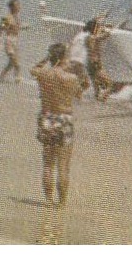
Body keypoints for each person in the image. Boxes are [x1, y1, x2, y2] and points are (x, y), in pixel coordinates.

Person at [30, 42, 88, 206]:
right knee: (63, 166)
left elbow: (33, 68)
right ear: (63, 58)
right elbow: (79, 94)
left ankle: (49, 200)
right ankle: (61, 204)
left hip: (47, 118)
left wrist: (48, 58)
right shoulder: (70, 78)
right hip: (64, 119)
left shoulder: (42, 74)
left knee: (48, 164)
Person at [82, 16, 112, 101]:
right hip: (95, 64)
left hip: (89, 64)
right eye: (97, 26)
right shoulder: (94, 38)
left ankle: (96, 104)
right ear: (94, 28)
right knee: (109, 85)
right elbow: (106, 35)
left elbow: (99, 31)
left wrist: (100, 19)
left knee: (97, 88)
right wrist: (110, 29)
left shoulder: (87, 37)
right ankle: (103, 101)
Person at [0, 0, 22, 83]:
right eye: (17, 5)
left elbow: (16, 28)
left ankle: (1, 77)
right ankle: (18, 79)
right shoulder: (6, 18)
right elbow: (0, 30)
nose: (19, 7)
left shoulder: (17, 17)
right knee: (15, 62)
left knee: (11, 63)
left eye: (19, 5)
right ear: (12, 7)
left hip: (16, 41)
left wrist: (24, 27)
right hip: (9, 41)